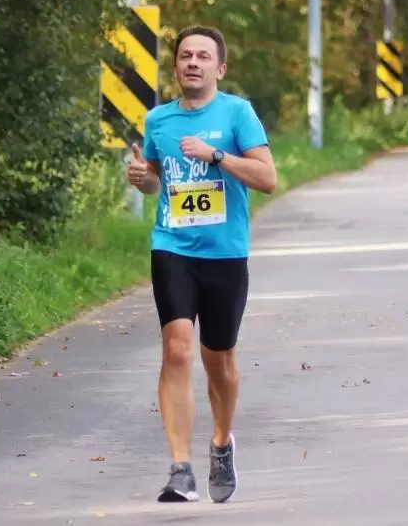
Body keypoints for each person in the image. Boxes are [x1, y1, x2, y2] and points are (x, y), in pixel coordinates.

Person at [125, 25, 277, 503]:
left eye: (203, 56)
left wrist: (216, 155)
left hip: (225, 253)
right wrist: (142, 178)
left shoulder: (238, 113)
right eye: (185, 55)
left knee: (220, 361)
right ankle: (180, 468)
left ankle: (221, 443)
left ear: (220, 68)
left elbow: (267, 178)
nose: (193, 62)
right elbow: (157, 181)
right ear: (176, 66)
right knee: (176, 348)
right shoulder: (159, 120)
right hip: (172, 247)